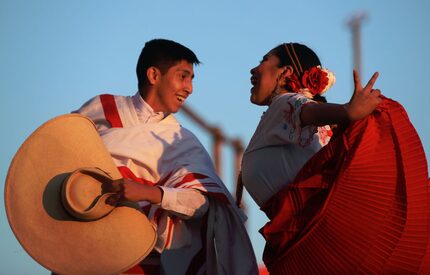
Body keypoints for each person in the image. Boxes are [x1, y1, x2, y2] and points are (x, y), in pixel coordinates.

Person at [239, 42, 430, 274]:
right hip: (323, 233)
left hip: (316, 235)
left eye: (263, 60)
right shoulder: (303, 119)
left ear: (285, 73)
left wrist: (348, 112)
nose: (254, 69)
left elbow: (305, 110)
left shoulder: (285, 102)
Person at [74, 38, 258, 275]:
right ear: (153, 75)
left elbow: (201, 204)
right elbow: (63, 152)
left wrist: (151, 194)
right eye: (183, 76)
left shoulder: (181, 140)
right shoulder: (102, 108)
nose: (189, 88)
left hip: (140, 263)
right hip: (77, 248)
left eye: (192, 79)